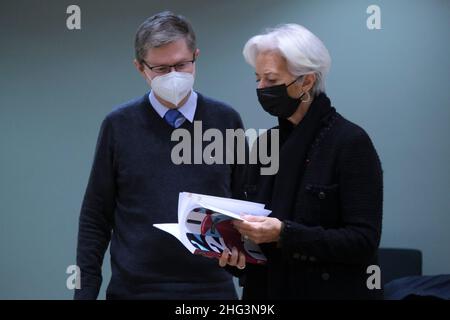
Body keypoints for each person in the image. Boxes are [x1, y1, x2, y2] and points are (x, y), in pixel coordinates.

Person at [75, 11, 245, 299]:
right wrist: (85, 292)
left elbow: (246, 203)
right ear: (141, 68)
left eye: (181, 64)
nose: (174, 76)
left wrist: (245, 258)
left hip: (211, 288)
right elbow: (96, 216)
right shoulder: (119, 125)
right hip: (136, 289)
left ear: (196, 57)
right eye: (162, 69)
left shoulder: (225, 120)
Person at [220, 24, 383, 300]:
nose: (261, 88)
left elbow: (363, 241)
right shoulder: (265, 143)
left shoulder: (350, 142)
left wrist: (285, 234)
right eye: (257, 78)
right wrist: (237, 256)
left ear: (306, 81)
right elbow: (257, 235)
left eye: (271, 79)